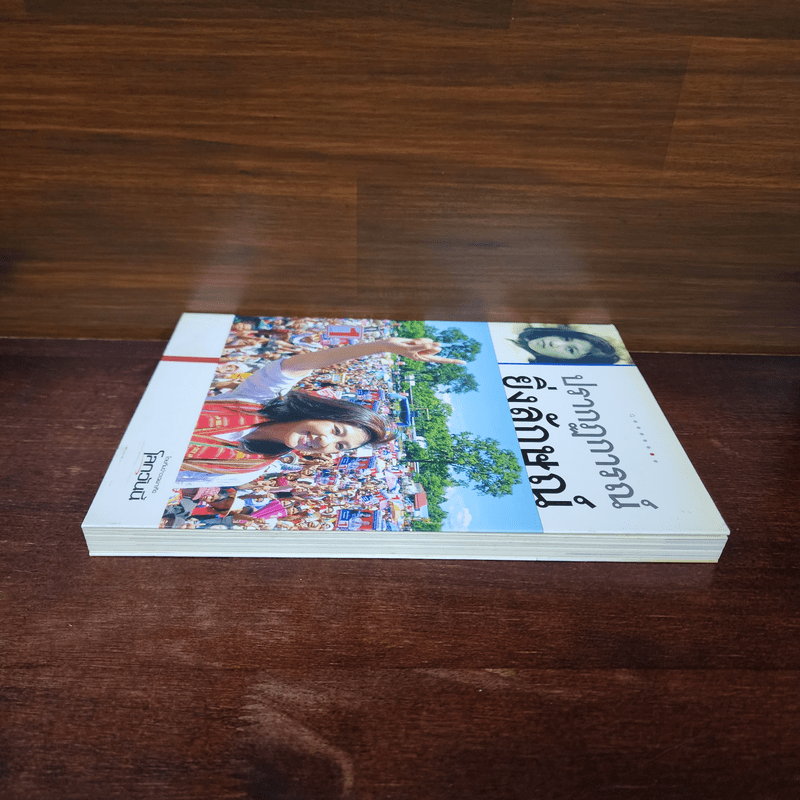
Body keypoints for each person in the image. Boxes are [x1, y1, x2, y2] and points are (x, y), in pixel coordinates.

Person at [175, 336, 464, 487]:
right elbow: (299, 365)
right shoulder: (256, 399)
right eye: (336, 431)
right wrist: (383, 346)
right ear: (323, 414)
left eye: (339, 446)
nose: (325, 442)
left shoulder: (247, 471)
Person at [511, 326, 620, 365]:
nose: (554, 343)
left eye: (571, 350)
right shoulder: (513, 333)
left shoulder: (521, 359)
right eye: (566, 338)